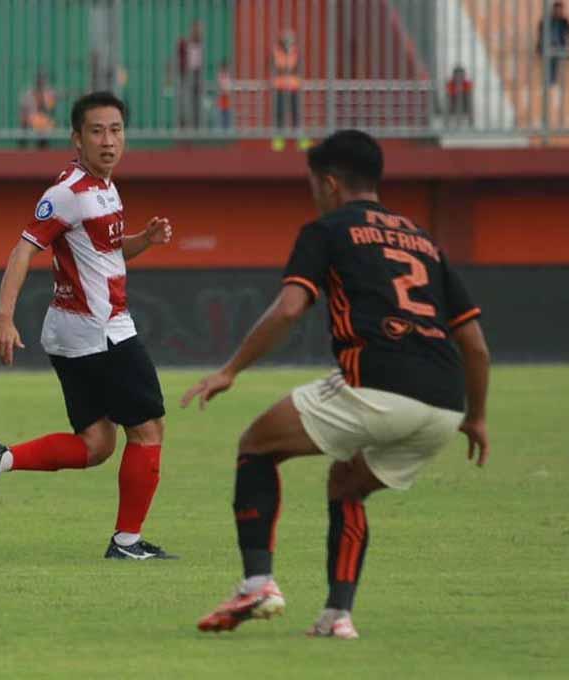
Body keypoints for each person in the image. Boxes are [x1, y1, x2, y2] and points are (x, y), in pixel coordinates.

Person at [183, 130, 490, 638]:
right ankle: (336, 615)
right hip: (444, 403)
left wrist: (230, 369)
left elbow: (289, 309)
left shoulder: (326, 229)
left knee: (256, 445)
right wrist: (475, 417)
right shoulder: (422, 239)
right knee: (348, 485)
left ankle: (257, 583)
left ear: (328, 183)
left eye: (312, 184)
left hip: (376, 382)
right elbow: (475, 344)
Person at [0, 91, 177, 560]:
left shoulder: (104, 188)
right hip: (102, 331)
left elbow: (106, 253)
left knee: (96, 445)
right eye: (97, 131)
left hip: (75, 332)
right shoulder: (68, 193)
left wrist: (145, 240)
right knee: (149, 429)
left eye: (116, 130)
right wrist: (3, 317)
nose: (108, 141)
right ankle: (127, 543)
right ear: (77, 139)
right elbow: (23, 249)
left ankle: (0, 459)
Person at [271, 30, 309, 151]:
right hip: (280, 86)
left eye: (290, 40)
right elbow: (277, 68)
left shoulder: (296, 52)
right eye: (286, 40)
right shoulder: (276, 52)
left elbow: (296, 68)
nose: (288, 43)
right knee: (280, 113)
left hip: (293, 86)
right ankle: (279, 139)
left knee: (296, 113)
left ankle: (300, 139)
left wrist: (287, 68)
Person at [170, 22, 204, 129]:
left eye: (200, 30)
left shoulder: (200, 45)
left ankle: (195, 125)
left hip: (196, 75)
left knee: (196, 101)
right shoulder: (185, 43)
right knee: (183, 101)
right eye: (197, 30)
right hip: (185, 75)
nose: (199, 33)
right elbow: (177, 57)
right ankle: (182, 125)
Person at [19, 71, 57, 148]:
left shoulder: (48, 93)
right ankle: (23, 147)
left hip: (44, 120)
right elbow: (24, 109)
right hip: (32, 119)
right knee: (25, 121)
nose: (41, 82)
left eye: (43, 79)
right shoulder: (29, 93)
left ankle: (42, 146)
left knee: (45, 125)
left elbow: (50, 109)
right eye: (40, 79)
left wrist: (44, 100)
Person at [216, 60, 234, 130]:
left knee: (227, 118)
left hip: (227, 101)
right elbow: (222, 87)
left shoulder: (228, 76)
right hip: (221, 101)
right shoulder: (220, 76)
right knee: (221, 119)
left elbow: (228, 88)